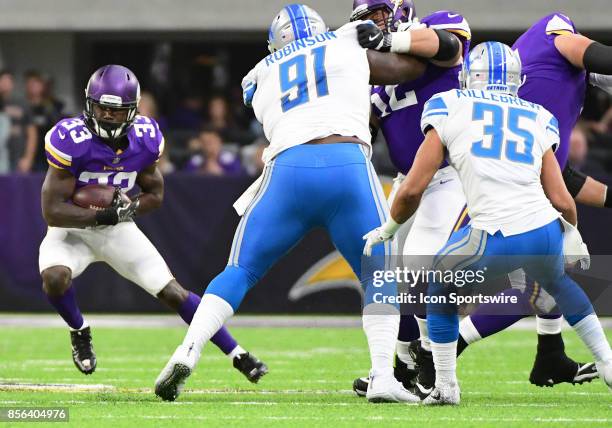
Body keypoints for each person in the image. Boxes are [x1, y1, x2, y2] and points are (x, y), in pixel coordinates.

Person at [155, 3, 429, 403]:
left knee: (239, 270)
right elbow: (410, 71)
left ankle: (188, 350)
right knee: (379, 277)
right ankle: (383, 376)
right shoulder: (346, 39)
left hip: (288, 170)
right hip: (346, 163)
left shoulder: (258, 73)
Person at [363, 41, 612, 405]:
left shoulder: (449, 105)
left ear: (469, 76)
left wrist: (389, 228)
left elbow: (413, 188)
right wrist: (573, 235)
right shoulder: (539, 116)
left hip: (495, 234)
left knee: (439, 283)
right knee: (557, 281)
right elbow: (560, 198)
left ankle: (445, 384)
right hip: (544, 230)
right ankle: (607, 361)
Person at [39, 64, 267, 382]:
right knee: (54, 277)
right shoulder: (70, 138)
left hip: (116, 228)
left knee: (173, 292)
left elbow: (155, 195)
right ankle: (79, 330)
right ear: (89, 105)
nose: (107, 116)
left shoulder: (145, 138)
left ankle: (238, 354)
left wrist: (127, 209)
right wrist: (100, 215)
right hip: (73, 230)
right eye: (102, 108)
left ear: (132, 111)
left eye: (116, 111)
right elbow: (52, 210)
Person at [456, 13, 612, 387]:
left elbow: (564, 178)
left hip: (510, 183)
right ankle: (430, 354)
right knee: (535, 289)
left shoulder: (547, 91)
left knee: (550, 279)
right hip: (506, 191)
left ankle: (550, 354)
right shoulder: (554, 31)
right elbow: (596, 56)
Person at [350, 0, 473, 395]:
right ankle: (394, 366)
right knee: (382, 272)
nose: (375, 22)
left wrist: (390, 38)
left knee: (419, 266)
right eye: (368, 17)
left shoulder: (436, 26)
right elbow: (357, 123)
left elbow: (449, 48)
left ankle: (432, 366)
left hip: (448, 175)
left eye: (381, 12)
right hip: (408, 181)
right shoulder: (377, 74)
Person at [25, 71, 64, 172]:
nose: (32, 87)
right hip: (27, 153)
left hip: (45, 153)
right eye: (29, 84)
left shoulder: (49, 107)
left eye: (35, 84)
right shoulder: (24, 107)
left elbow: (57, 128)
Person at [0, 70, 37, 172]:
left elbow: (32, 133)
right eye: (2, 80)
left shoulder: (22, 104)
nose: (5, 84)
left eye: (8, 81)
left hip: (18, 157)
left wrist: (28, 158)